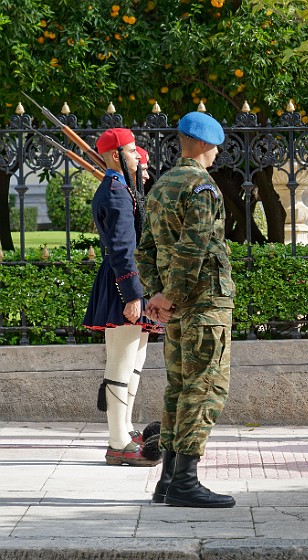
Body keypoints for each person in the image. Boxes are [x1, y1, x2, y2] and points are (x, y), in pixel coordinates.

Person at [135, 111, 236, 507]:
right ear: (207, 146)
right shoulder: (202, 188)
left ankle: (168, 479)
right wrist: (170, 295)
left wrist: (159, 295)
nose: (215, 155)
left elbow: (144, 251)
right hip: (204, 304)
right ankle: (185, 483)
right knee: (207, 387)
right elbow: (193, 250)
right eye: (215, 149)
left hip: (176, 309)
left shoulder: (160, 187)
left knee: (179, 389)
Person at [83, 128, 158, 467]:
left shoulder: (121, 189)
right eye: (131, 152)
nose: (136, 157)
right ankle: (117, 442)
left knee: (133, 362)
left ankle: (124, 431)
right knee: (121, 364)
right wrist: (132, 295)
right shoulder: (116, 192)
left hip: (125, 282)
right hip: (122, 284)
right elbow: (123, 249)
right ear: (116, 156)